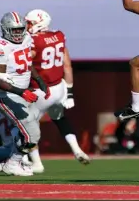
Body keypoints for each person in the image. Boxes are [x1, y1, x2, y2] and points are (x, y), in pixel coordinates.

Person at [24, 9, 90, 173]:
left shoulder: (33, 41)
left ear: (38, 23)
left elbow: (25, 62)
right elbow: (67, 65)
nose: (26, 26)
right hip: (59, 88)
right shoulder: (59, 36)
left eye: (29, 22)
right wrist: (70, 93)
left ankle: (35, 163)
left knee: (26, 125)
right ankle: (76, 149)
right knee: (60, 120)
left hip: (42, 90)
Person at [0, 11, 49, 176]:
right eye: (14, 30)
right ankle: (12, 163)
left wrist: (40, 81)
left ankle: (6, 159)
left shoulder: (27, 38)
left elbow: (27, 63)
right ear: (5, 29)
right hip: (4, 96)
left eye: (20, 29)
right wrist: (21, 92)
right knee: (32, 133)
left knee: (27, 130)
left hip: (21, 93)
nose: (18, 33)